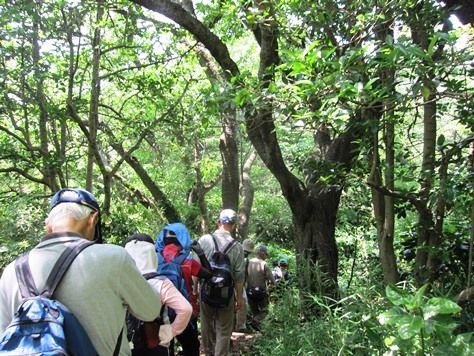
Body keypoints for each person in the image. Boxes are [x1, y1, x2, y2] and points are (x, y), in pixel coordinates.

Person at [0, 188, 163, 355]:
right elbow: (150, 310)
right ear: (92, 219)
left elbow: (5, 335)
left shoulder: (12, 270)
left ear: (48, 225)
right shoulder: (114, 258)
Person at [125, 233, 193, 355]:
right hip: (156, 343)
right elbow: (186, 309)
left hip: (127, 344)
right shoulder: (160, 282)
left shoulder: (121, 282)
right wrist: (170, 331)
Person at [156, 222, 213, 356]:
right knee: (191, 347)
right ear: (183, 239)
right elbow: (209, 274)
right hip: (184, 313)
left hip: (161, 313)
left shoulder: (155, 259)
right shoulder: (187, 261)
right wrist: (200, 253)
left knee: (166, 347)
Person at [198, 209, 246, 356]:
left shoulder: (205, 240)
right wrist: (239, 297)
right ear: (233, 225)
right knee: (224, 330)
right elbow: (239, 275)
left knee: (207, 326)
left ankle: (208, 352)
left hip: (206, 291)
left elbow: (196, 267)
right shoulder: (237, 246)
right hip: (226, 294)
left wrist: (194, 289)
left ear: (218, 222)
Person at [246, 244, 275, 331]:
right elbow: (272, 280)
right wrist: (272, 290)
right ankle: (255, 321)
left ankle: (257, 331)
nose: (266, 256)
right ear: (262, 254)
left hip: (249, 291)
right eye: (266, 254)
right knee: (265, 310)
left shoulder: (248, 262)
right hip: (260, 293)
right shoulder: (264, 264)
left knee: (256, 312)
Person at [235, 238, 255, 332]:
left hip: (232, 282)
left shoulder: (236, 253)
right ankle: (240, 326)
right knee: (243, 304)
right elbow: (242, 274)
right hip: (238, 283)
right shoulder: (245, 259)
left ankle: (236, 324)